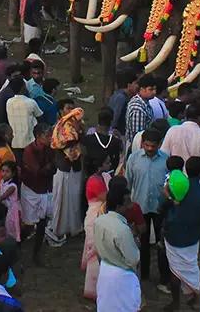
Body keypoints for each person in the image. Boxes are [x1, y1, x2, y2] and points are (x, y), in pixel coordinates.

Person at [163, 157, 200, 310]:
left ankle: (175, 302)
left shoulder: (176, 185)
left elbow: (165, 203)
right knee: (191, 265)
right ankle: (195, 297)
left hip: (173, 232)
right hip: (192, 235)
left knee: (174, 269)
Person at [125, 128, 169, 290]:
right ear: (142, 143)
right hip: (140, 207)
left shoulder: (166, 160)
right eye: (147, 145)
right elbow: (127, 183)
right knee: (141, 243)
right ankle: (143, 275)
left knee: (161, 243)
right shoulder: (133, 159)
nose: (150, 149)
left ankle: (164, 278)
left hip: (159, 208)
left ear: (159, 145)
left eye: (153, 146)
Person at [94, 183, 141, 312]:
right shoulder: (122, 229)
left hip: (104, 271)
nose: (130, 206)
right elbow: (133, 259)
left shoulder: (99, 221)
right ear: (119, 206)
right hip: (122, 276)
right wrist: (136, 243)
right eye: (127, 202)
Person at [48, 107, 84, 245]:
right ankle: (60, 228)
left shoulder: (76, 125)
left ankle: (74, 227)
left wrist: (79, 129)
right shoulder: (60, 128)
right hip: (63, 168)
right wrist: (78, 132)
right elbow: (66, 142)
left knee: (74, 199)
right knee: (62, 200)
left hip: (74, 169)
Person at [20, 122, 54, 264]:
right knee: (29, 224)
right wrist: (48, 168)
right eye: (48, 135)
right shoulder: (29, 151)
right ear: (39, 136)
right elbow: (38, 171)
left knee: (42, 222)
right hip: (32, 191)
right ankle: (18, 243)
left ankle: (36, 253)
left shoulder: (49, 149)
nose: (51, 138)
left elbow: (51, 168)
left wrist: (48, 168)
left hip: (44, 189)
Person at [161, 103, 200, 183]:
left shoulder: (172, 131)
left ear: (186, 115)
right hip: (196, 181)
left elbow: (164, 155)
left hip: (174, 180)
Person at [81, 155, 111, 300]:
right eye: (107, 162)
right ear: (99, 166)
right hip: (95, 218)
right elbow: (107, 198)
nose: (110, 164)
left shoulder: (98, 178)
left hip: (96, 216)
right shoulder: (95, 181)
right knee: (95, 253)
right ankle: (93, 289)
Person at [6, 76, 42, 161]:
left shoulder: (9, 102)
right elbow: (40, 116)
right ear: (23, 87)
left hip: (15, 142)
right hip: (29, 141)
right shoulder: (30, 102)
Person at [82, 106, 122, 175]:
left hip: (91, 177)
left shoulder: (88, 139)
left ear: (98, 123)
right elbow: (116, 161)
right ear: (111, 123)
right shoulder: (116, 141)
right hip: (109, 177)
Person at [124, 73, 156, 150]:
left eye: (155, 89)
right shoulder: (138, 109)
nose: (154, 92)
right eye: (151, 89)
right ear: (142, 89)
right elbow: (138, 137)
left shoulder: (144, 103)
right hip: (138, 149)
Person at [108, 68, 139, 136]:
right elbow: (114, 119)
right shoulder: (121, 98)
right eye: (136, 83)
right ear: (129, 85)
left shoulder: (118, 95)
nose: (137, 86)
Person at [0, 161, 21, 242]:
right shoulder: (2, 182)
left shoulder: (12, 186)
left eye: (7, 171)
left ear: (13, 173)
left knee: (11, 226)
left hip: (12, 210)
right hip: (5, 208)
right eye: (3, 171)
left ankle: (14, 241)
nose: (4, 174)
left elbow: (3, 197)